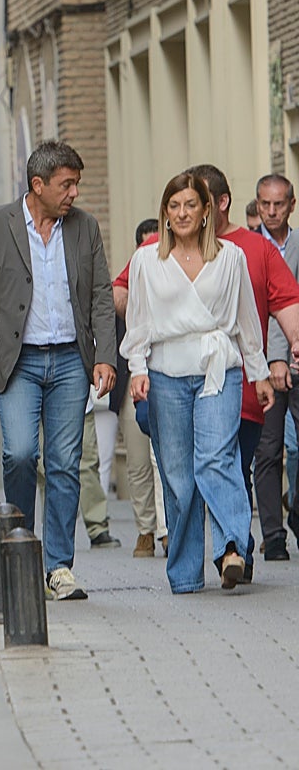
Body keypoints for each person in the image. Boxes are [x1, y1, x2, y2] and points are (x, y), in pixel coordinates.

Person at [113, 163, 299, 582]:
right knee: (178, 476)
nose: (182, 213)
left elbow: (246, 321)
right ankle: (185, 573)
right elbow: (138, 321)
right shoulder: (146, 260)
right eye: (174, 205)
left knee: (217, 459)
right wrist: (137, 368)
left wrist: (259, 373)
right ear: (165, 213)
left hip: (220, 369)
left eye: (190, 205)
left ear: (206, 211)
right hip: (167, 372)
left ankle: (232, 546)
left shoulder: (231, 257)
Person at [0, 140, 117, 602]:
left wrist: (105, 355)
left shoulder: (85, 227)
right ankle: (20, 550)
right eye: (66, 185)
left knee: (65, 463)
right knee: (22, 453)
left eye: (76, 184)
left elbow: (101, 296)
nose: (74, 193)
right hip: (17, 361)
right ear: (38, 185)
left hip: (70, 360)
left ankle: (58, 567)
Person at [251, 174, 299, 561]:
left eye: (278, 204)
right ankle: (274, 536)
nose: (271, 211)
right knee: (267, 452)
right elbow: (259, 308)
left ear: (291, 205)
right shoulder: (246, 249)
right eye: (265, 204)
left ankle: (296, 513)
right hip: (262, 367)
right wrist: (273, 358)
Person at [121, 218, 168, 558]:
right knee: (138, 459)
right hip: (134, 372)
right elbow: (114, 298)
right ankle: (145, 529)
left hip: (167, 371)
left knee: (162, 457)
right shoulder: (136, 266)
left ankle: (167, 531)